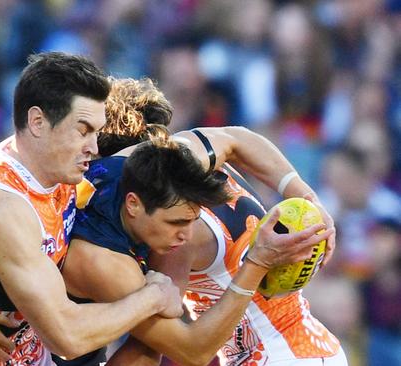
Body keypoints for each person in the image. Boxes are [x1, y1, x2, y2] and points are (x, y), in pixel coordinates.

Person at [60, 77, 347, 365]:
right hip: (314, 345)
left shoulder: (173, 231)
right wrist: (308, 196)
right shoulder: (190, 159)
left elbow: (170, 349)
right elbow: (236, 138)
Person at [0, 52, 184, 366]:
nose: (94, 147)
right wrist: (152, 296)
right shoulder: (3, 204)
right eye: (83, 129)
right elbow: (66, 338)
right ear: (37, 122)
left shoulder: (60, 169)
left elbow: (206, 144)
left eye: (96, 132)